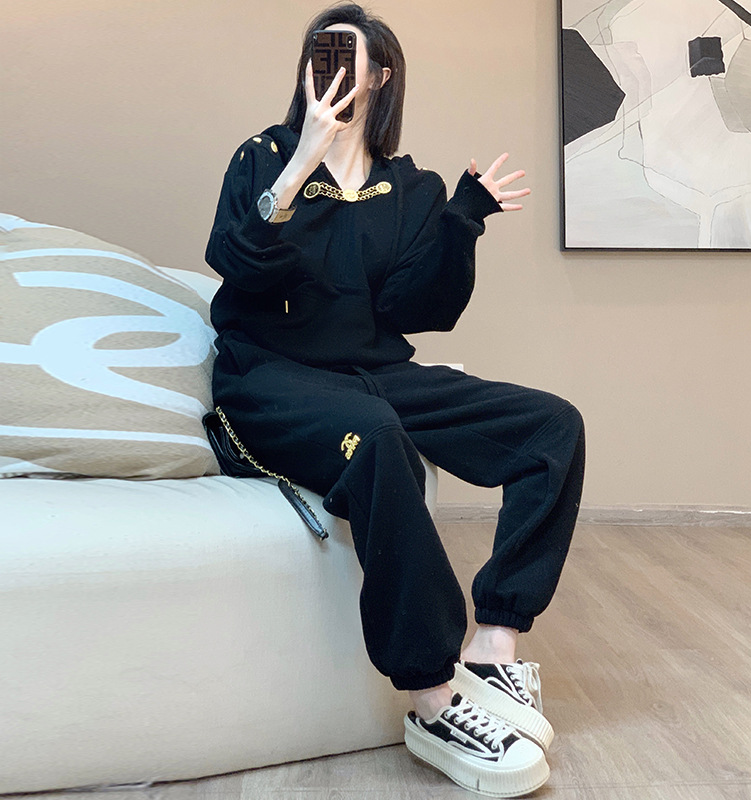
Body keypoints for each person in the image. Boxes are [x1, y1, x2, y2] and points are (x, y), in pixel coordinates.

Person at [205, 3, 585, 796]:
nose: (332, 71)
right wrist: (303, 160)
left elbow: (417, 312)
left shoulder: (410, 187)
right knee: (378, 434)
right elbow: (235, 262)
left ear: (381, 77)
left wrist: (461, 221)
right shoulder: (264, 155)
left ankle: (495, 646)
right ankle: (432, 698)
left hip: (374, 371)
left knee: (552, 427)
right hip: (270, 376)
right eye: (321, 55)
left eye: (351, 59)